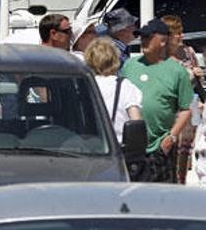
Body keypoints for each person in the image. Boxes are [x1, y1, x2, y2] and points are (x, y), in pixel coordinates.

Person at [120, 18, 194, 183]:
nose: (143, 42)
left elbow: (185, 109)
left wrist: (171, 138)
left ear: (162, 41)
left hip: (160, 147)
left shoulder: (176, 71)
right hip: (131, 148)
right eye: (142, 37)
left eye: (147, 38)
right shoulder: (130, 66)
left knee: (162, 197)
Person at [161, 15, 204, 184]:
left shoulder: (187, 51)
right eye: (177, 33)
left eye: (182, 32)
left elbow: (197, 81)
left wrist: (197, 74)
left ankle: (182, 182)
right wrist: (190, 75)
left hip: (192, 106)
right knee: (174, 149)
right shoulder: (161, 57)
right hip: (173, 110)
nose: (181, 36)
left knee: (188, 150)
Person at [84, 38, 142, 143]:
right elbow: (136, 122)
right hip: (118, 149)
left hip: (89, 147)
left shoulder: (85, 85)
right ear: (115, 59)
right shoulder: (125, 86)